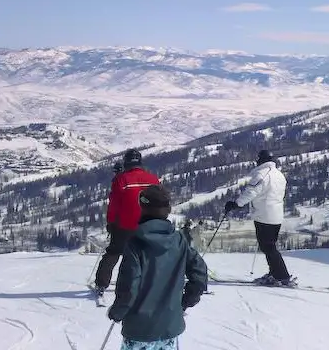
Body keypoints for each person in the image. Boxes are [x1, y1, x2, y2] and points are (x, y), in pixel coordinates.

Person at [107, 185, 208, 350]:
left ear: (142, 208)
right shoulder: (179, 240)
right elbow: (199, 273)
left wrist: (117, 312)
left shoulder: (136, 243)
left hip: (139, 329)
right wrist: (185, 302)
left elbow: (129, 287)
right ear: (168, 209)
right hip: (169, 325)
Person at [93, 148, 160, 296]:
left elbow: (114, 204)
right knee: (147, 255)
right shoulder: (153, 179)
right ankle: (151, 283)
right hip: (149, 225)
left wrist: (111, 222)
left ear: (126, 162)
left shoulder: (121, 180)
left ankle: (101, 283)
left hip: (125, 224)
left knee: (113, 253)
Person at [224, 149, 294, 287]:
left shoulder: (261, 175)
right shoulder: (279, 175)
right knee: (270, 246)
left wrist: (236, 204)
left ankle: (281, 276)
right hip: (276, 215)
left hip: (264, 216)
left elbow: (251, 192)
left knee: (268, 247)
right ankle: (275, 273)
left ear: (261, 160)